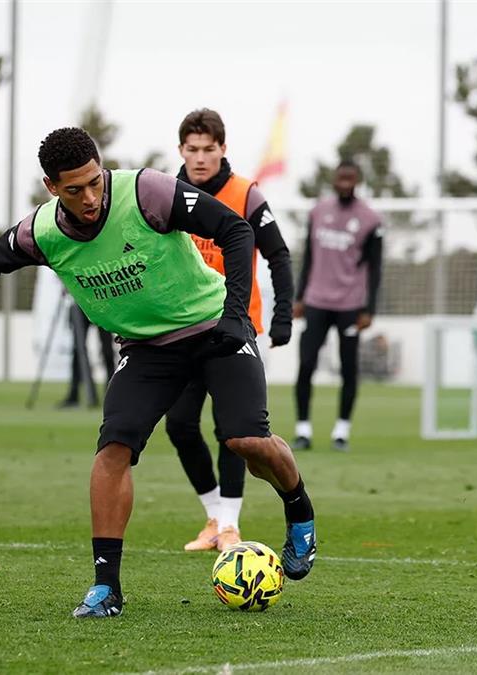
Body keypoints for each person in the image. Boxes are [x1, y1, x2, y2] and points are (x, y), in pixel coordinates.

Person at [0, 127, 317, 619]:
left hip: (214, 326)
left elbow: (236, 231)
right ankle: (106, 587)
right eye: (74, 190)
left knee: (246, 441)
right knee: (113, 449)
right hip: (147, 349)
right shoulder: (42, 232)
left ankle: (299, 508)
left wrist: (237, 314)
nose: (90, 198)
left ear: (102, 168)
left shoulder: (147, 192)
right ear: (51, 187)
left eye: (95, 182)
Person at [165, 109, 292, 552]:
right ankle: (213, 515)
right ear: (181, 150)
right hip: (182, 329)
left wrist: (282, 315)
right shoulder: (166, 195)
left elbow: (278, 254)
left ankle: (230, 526)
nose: (200, 158)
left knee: (232, 431)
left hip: (236, 328)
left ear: (223, 149)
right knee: (180, 425)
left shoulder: (246, 194)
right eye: (192, 149)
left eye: (209, 149)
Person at [293, 160, 383, 452]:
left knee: (348, 369)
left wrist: (369, 309)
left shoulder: (370, 219)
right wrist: (299, 297)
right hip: (317, 301)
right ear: (334, 180)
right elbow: (308, 256)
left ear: (357, 181)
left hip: (350, 304)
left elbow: (375, 268)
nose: (345, 183)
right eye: (341, 178)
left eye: (350, 179)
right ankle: (303, 430)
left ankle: (341, 431)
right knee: (306, 364)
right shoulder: (318, 212)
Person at [57, 300, 116, 409]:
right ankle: (74, 394)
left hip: (101, 303)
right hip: (82, 303)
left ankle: (112, 393)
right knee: (78, 351)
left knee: (107, 350)